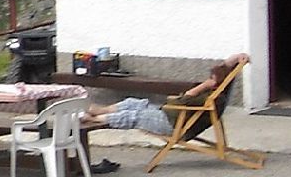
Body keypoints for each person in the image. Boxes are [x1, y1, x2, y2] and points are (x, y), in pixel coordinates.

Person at [81, 53, 250, 136]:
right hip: (171, 115)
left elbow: (183, 100)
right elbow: (219, 71)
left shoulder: (208, 97)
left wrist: (202, 86)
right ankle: (101, 111)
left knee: (135, 115)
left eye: (211, 78)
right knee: (136, 102)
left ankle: (94, 120)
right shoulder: (216, 92)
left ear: (214, 82)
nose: (209, 77)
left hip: (175, 124)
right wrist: (234, 59)